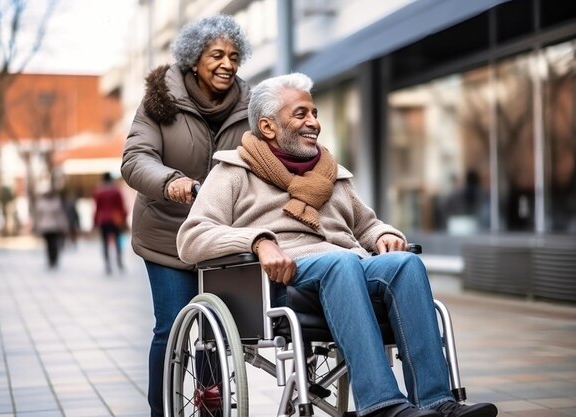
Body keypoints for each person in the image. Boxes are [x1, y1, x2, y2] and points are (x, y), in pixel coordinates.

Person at [177, 73, 498, 417]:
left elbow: (366, 225)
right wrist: (258, 241)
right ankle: (382, 406)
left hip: (349, 269)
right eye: (300, 114)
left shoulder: (332, 175)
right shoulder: (233, 172)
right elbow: (192, 237)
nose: (313, 122)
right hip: (285, 280)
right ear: (268, 127)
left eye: (314, 113)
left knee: (405, 264)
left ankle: (437, 402)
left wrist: (382, 235)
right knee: (340, 263)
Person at [120, 14, 252, 417]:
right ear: (195, 59)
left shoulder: (250, 104)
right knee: (172, 326)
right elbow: (136, 157)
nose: (227, 64)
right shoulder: (161, 100)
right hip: (166, 234)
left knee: (216, 329)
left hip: (218, 235)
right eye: (217, 55)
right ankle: (162, 408)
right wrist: (170, 180)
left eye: (233, 55)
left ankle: (210, 402)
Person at [93, 172, 127, 275]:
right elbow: (121, 206)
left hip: (103, 219)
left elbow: (97, 208)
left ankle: (107, 264)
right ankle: (119, 261)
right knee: (117, 241)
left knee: (105, 242)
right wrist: (124, 218)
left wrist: (94, 221)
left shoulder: (98, 191)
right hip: (115, 219)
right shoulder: (116, 190)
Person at [34, 189, 69, 269]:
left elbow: (59, 216)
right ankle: (52, 259)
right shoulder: (54, 203)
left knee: (51, 244)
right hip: (50, 227)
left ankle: (52, 259)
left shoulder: (43, 203)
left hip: (51, 227)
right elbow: (39, 217)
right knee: (52, 244)